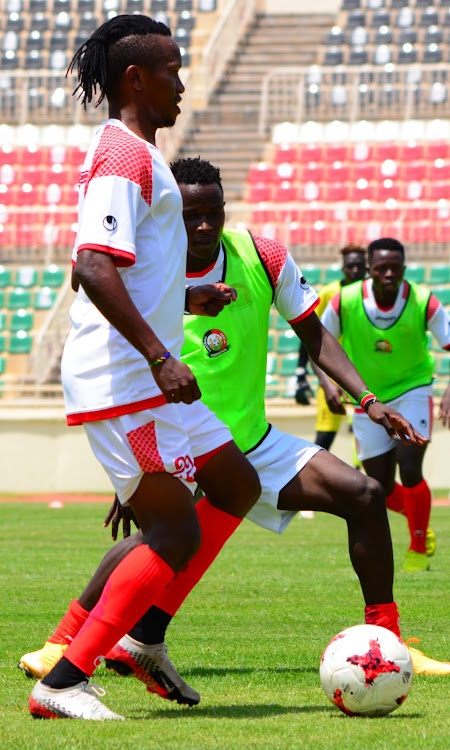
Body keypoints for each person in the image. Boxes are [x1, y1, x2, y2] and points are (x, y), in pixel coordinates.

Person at [21, 160, 450, 704]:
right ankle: (64, 646)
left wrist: (367, 400)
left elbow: (314, 335)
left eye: (213, 211)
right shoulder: (148, 266)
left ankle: (388, 638)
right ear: (169, 215)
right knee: (157, 538)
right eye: (191, 215)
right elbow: (106, 325)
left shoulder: (262, 255)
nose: (203, 225)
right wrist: (128, 477)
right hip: (178, 435)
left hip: (250, 443)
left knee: (364, 494)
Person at [27, 16, 262, 721]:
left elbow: (104, 266)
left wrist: (183, 299)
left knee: (235, 482)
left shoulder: (140, 159)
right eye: (172, 71)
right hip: (125, 378)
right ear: (137, 78)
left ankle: (142, 640)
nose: (182, 84)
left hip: (142, 375)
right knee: (173, 532)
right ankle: (66, 678)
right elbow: (92, 265)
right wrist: (161, 354)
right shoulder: (122, 154)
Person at [319, 237, 450, 573]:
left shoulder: (421, 300)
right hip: (366, 397)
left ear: (404, 267)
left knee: (410, 463)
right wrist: (327, 384)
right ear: (369, 270)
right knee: (380, 486)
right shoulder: (345, 301)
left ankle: (417, 548)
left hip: (413, 389)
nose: (389, 273)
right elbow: (319, 342)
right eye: (381, 268)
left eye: (395, 267)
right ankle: (419, 518)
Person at [294, 244, 367, 451]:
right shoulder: (329, 293)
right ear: (342, 267)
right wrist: (303, 375)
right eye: (350, 266)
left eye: (360, 266)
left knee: (366, 438)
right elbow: (309, 334)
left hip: (365, 376)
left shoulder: (372, 295)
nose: (355, 271)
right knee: (325, 438)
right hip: (333, 375)